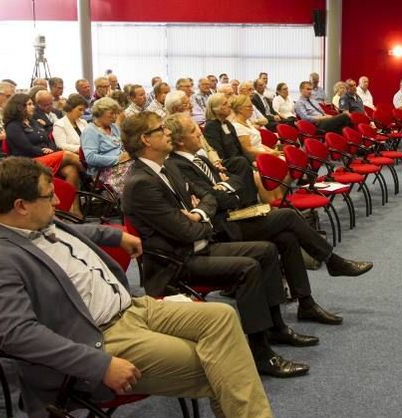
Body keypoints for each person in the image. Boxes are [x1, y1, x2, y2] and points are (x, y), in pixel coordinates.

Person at [0, 158, 329, 418]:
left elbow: (77, 231)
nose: (59, 199)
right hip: (98, 338)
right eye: (49, 195)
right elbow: (17, 335)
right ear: (21, 206)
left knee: (220, 316)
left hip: (133, 308)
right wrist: (99, 363)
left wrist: (116, 235)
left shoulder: (45, 224)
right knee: (223, 367)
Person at [120, 112, 314, 378]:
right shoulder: (141, 183)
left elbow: (207, 198)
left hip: (198, 246)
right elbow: (184, 232)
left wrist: (200, 213)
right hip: (176, 263)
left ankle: (276, 328)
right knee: (248, 267)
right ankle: (260, 354)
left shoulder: (167, 166)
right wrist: (203, 218)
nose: (167, 132)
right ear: (146, 139)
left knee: (266, 250)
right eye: (160, 129)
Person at [166, 114, 373, 322]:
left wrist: (226, 188)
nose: (199, 132)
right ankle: (332, 260)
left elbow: (231, 190)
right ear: (181, 140)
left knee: (287, 237)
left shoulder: (199, 159)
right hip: (221, 229)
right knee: (288, 216)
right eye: (193, 131)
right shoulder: (178, 166)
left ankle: (306, 303)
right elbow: (216, 198)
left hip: (233, 216)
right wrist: (226, 189)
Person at [2, 93, 83, 209]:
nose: (33, 107)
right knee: (67, 155)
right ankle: (93, 174)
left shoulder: (33, 121)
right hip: (28, 162)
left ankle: (72, 208)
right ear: (19, 107)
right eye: (29, 104)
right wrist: (44, 152)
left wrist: (51, 150)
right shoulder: (13, 126)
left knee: (71, 170)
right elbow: (26, 147)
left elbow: (48, 139)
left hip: (46, 157)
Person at [81, 97, 131, 194]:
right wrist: (117, 159)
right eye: (111, 113)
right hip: (103, 172)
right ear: (100, 113)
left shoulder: (114, 127)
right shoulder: (90, 131)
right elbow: (90, 158)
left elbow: (123, 145)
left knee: (144, 169)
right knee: (136, 178)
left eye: (116, 113)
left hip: (122, 165)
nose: (115, 117)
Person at [204, 93, 251, 162]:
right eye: (225, 104)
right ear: (215, 109)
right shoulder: (211, 127)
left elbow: (238, 147)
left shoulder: (227, 123)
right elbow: (218, 154)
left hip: (239, 161)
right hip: (226, 164)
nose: (229, 105)